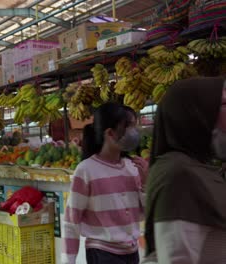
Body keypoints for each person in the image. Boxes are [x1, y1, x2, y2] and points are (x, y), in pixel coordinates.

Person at [144, 77, 226, 264]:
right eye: (224, 104)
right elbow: (176, 257)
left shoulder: (202, 170)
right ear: (196, 115)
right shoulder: (179, 176)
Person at [61, 102, 148, 264]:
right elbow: (71, 222)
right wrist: (68, 261)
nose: (134, 133)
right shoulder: (86, 170)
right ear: (110, 133)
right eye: (129, 127)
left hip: (131, 252)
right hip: (102, 254)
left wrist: (145, 183)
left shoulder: (132, 168)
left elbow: (143, 213)